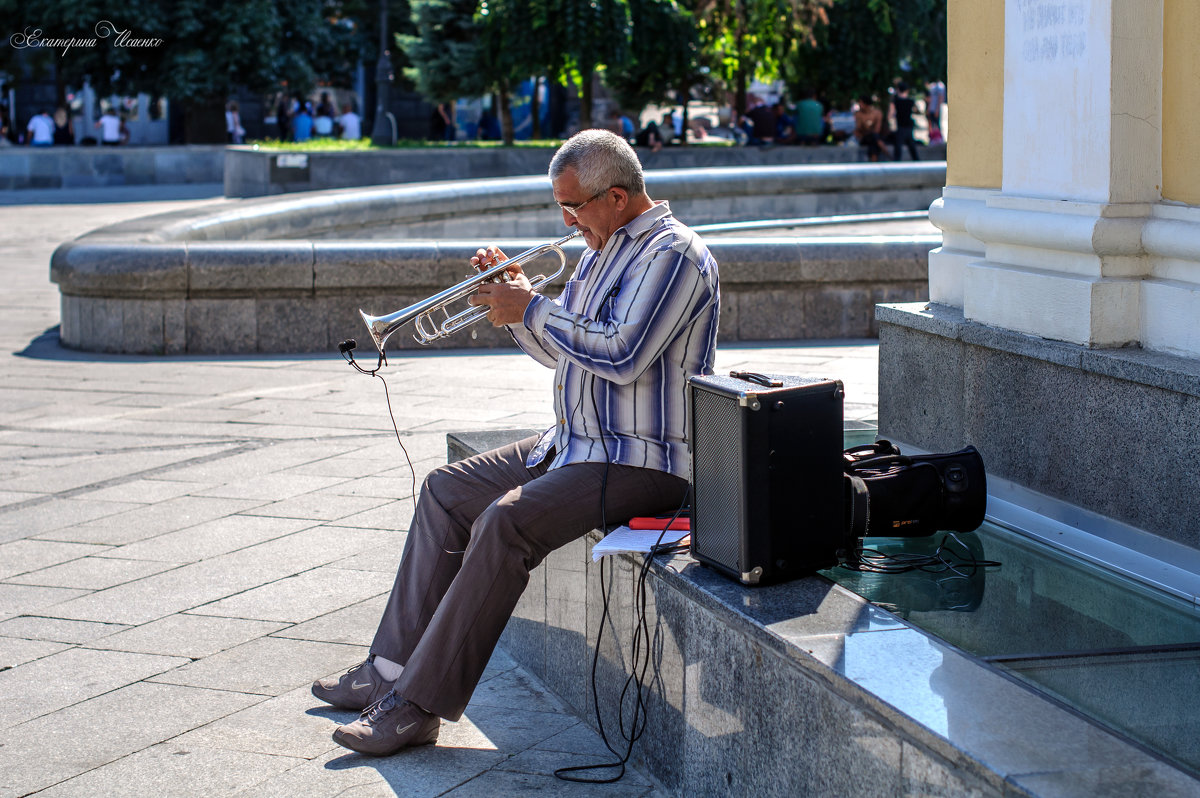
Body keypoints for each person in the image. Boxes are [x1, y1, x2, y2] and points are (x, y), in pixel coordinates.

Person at [312, 128, 721, 757]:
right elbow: (566, 353)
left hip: (643, 457)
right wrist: (510, 303)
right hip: (576, 443)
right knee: (446, 490)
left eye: (574, 206)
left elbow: (624, 355)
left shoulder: (676, 256)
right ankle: (387, 668)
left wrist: (530, 307)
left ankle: (418, 707)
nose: (565, 220)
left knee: (506, 523)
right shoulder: (599, 249)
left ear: (616, 196)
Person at [891, 82, 919, 161]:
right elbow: (916, 110)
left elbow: (891, 113)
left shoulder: (895, 101)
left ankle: (897, 162)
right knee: (911, 146)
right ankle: (917, 161)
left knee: (898, 146)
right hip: (909, 125)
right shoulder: (910, 101)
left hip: (900, 125)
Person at [853, 95, 886, 162]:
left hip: (874, 137)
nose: (859, 105)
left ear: (866, 104)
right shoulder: (858, 114)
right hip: (865, 138)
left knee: (873, 142)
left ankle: (874, 162)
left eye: (861, 103)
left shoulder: (877, 113)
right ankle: (888, 154)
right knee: (874, 139)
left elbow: (877, 130)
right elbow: (858, 129)